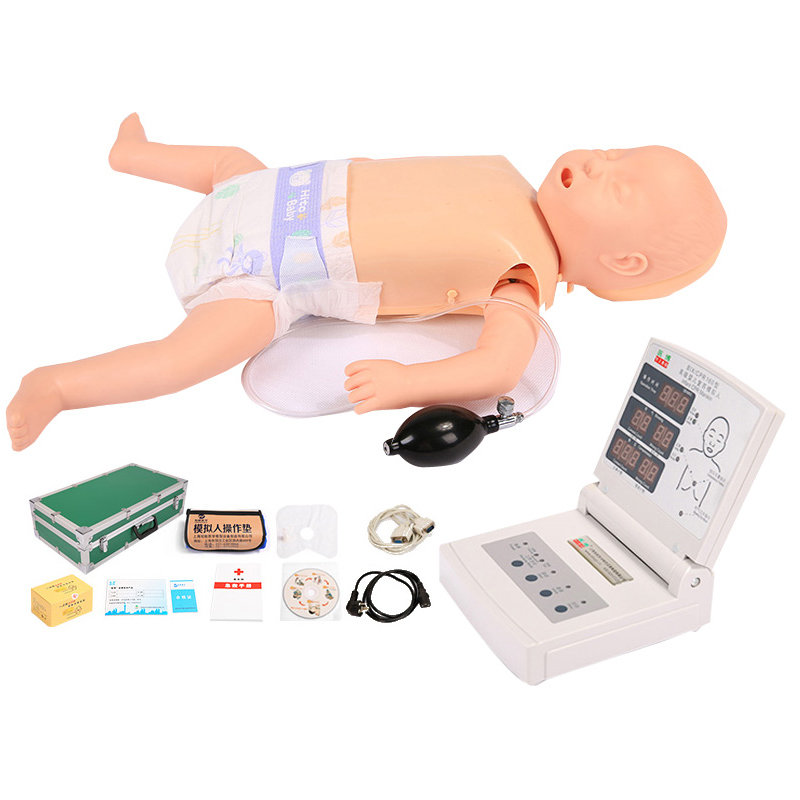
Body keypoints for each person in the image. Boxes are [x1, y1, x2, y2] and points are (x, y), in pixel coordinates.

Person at [6, 114, 726, 451]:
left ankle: (59, 385)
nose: (597, 160)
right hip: (274, 197)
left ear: (624, 263)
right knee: (230, 161)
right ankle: (131, 155)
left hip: (263, 276)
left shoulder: (518, 280)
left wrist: (405, 384)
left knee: (181, 359)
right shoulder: (506, 183)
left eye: (618, 185)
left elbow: (500, 368)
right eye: (615, 151)